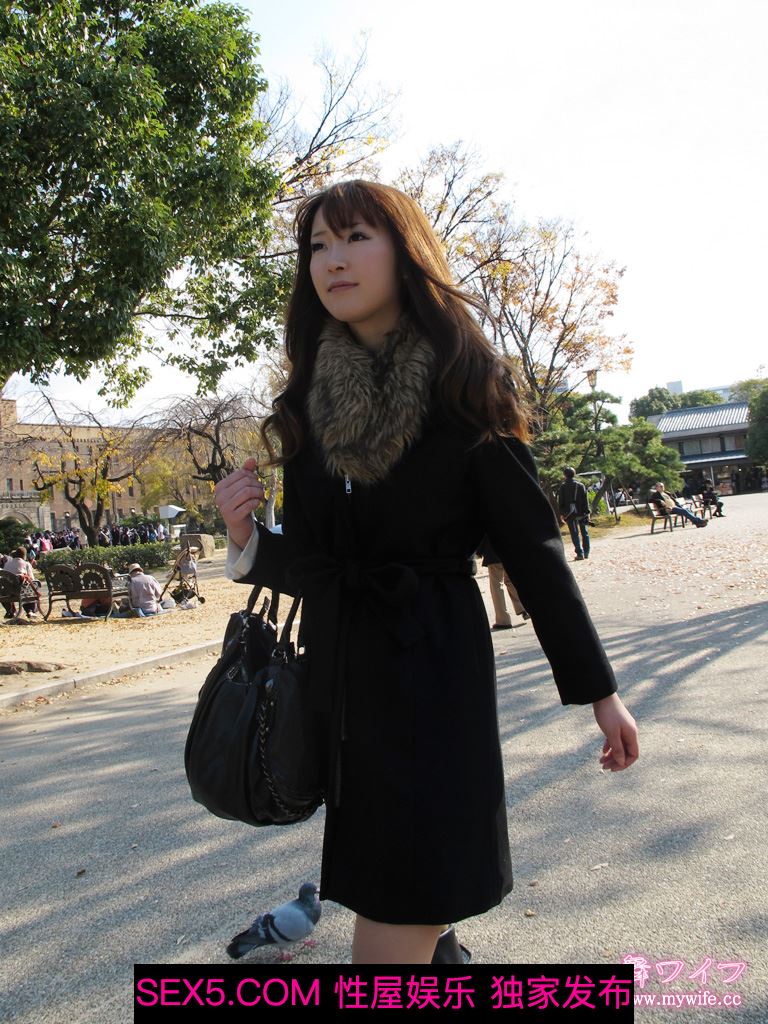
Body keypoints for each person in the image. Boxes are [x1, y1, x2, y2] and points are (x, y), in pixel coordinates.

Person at [214, 180, 638, 965]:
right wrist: (247, 539)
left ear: (403, 252)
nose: (333, 261)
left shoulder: (464, 383)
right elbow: (316, 563)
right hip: (347, 695)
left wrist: (599, 691)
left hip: (434, 683)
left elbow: (534, 550)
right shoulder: (308, 400)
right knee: (407, 898)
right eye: (318, 246)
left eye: (355, 238)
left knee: (398, 909)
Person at [477, 535, 529, 629]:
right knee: (511, 581)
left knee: (496, 586)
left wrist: (479, 551)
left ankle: (503, 621)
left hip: (493, 552)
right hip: (509, 549)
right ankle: (524, 608)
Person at [557, 466, 591, 560]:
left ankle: (579, 553)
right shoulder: (580, 485)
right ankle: (586, 552)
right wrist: (587, 512)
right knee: (584, 532)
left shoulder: (563, 487)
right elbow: (585, 501)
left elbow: (561, 502)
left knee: (574, 533)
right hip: (582, 513)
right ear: (574, 474)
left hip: (570, 514)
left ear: (565, 475)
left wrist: (562, 513)